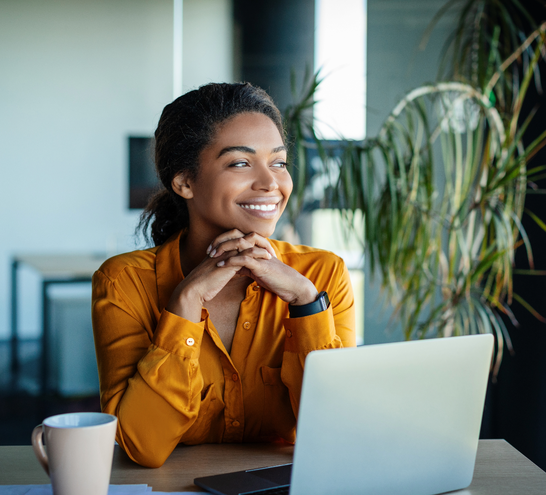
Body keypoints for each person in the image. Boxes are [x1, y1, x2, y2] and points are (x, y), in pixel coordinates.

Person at [91, 82, 356, 468]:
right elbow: (142, 446)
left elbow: (339, 432)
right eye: (240, 163)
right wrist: (184, 305)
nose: (271, 183)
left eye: (278, 162)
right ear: (183, 182)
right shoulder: (123, 283)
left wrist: (305, 304)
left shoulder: (320, 276)